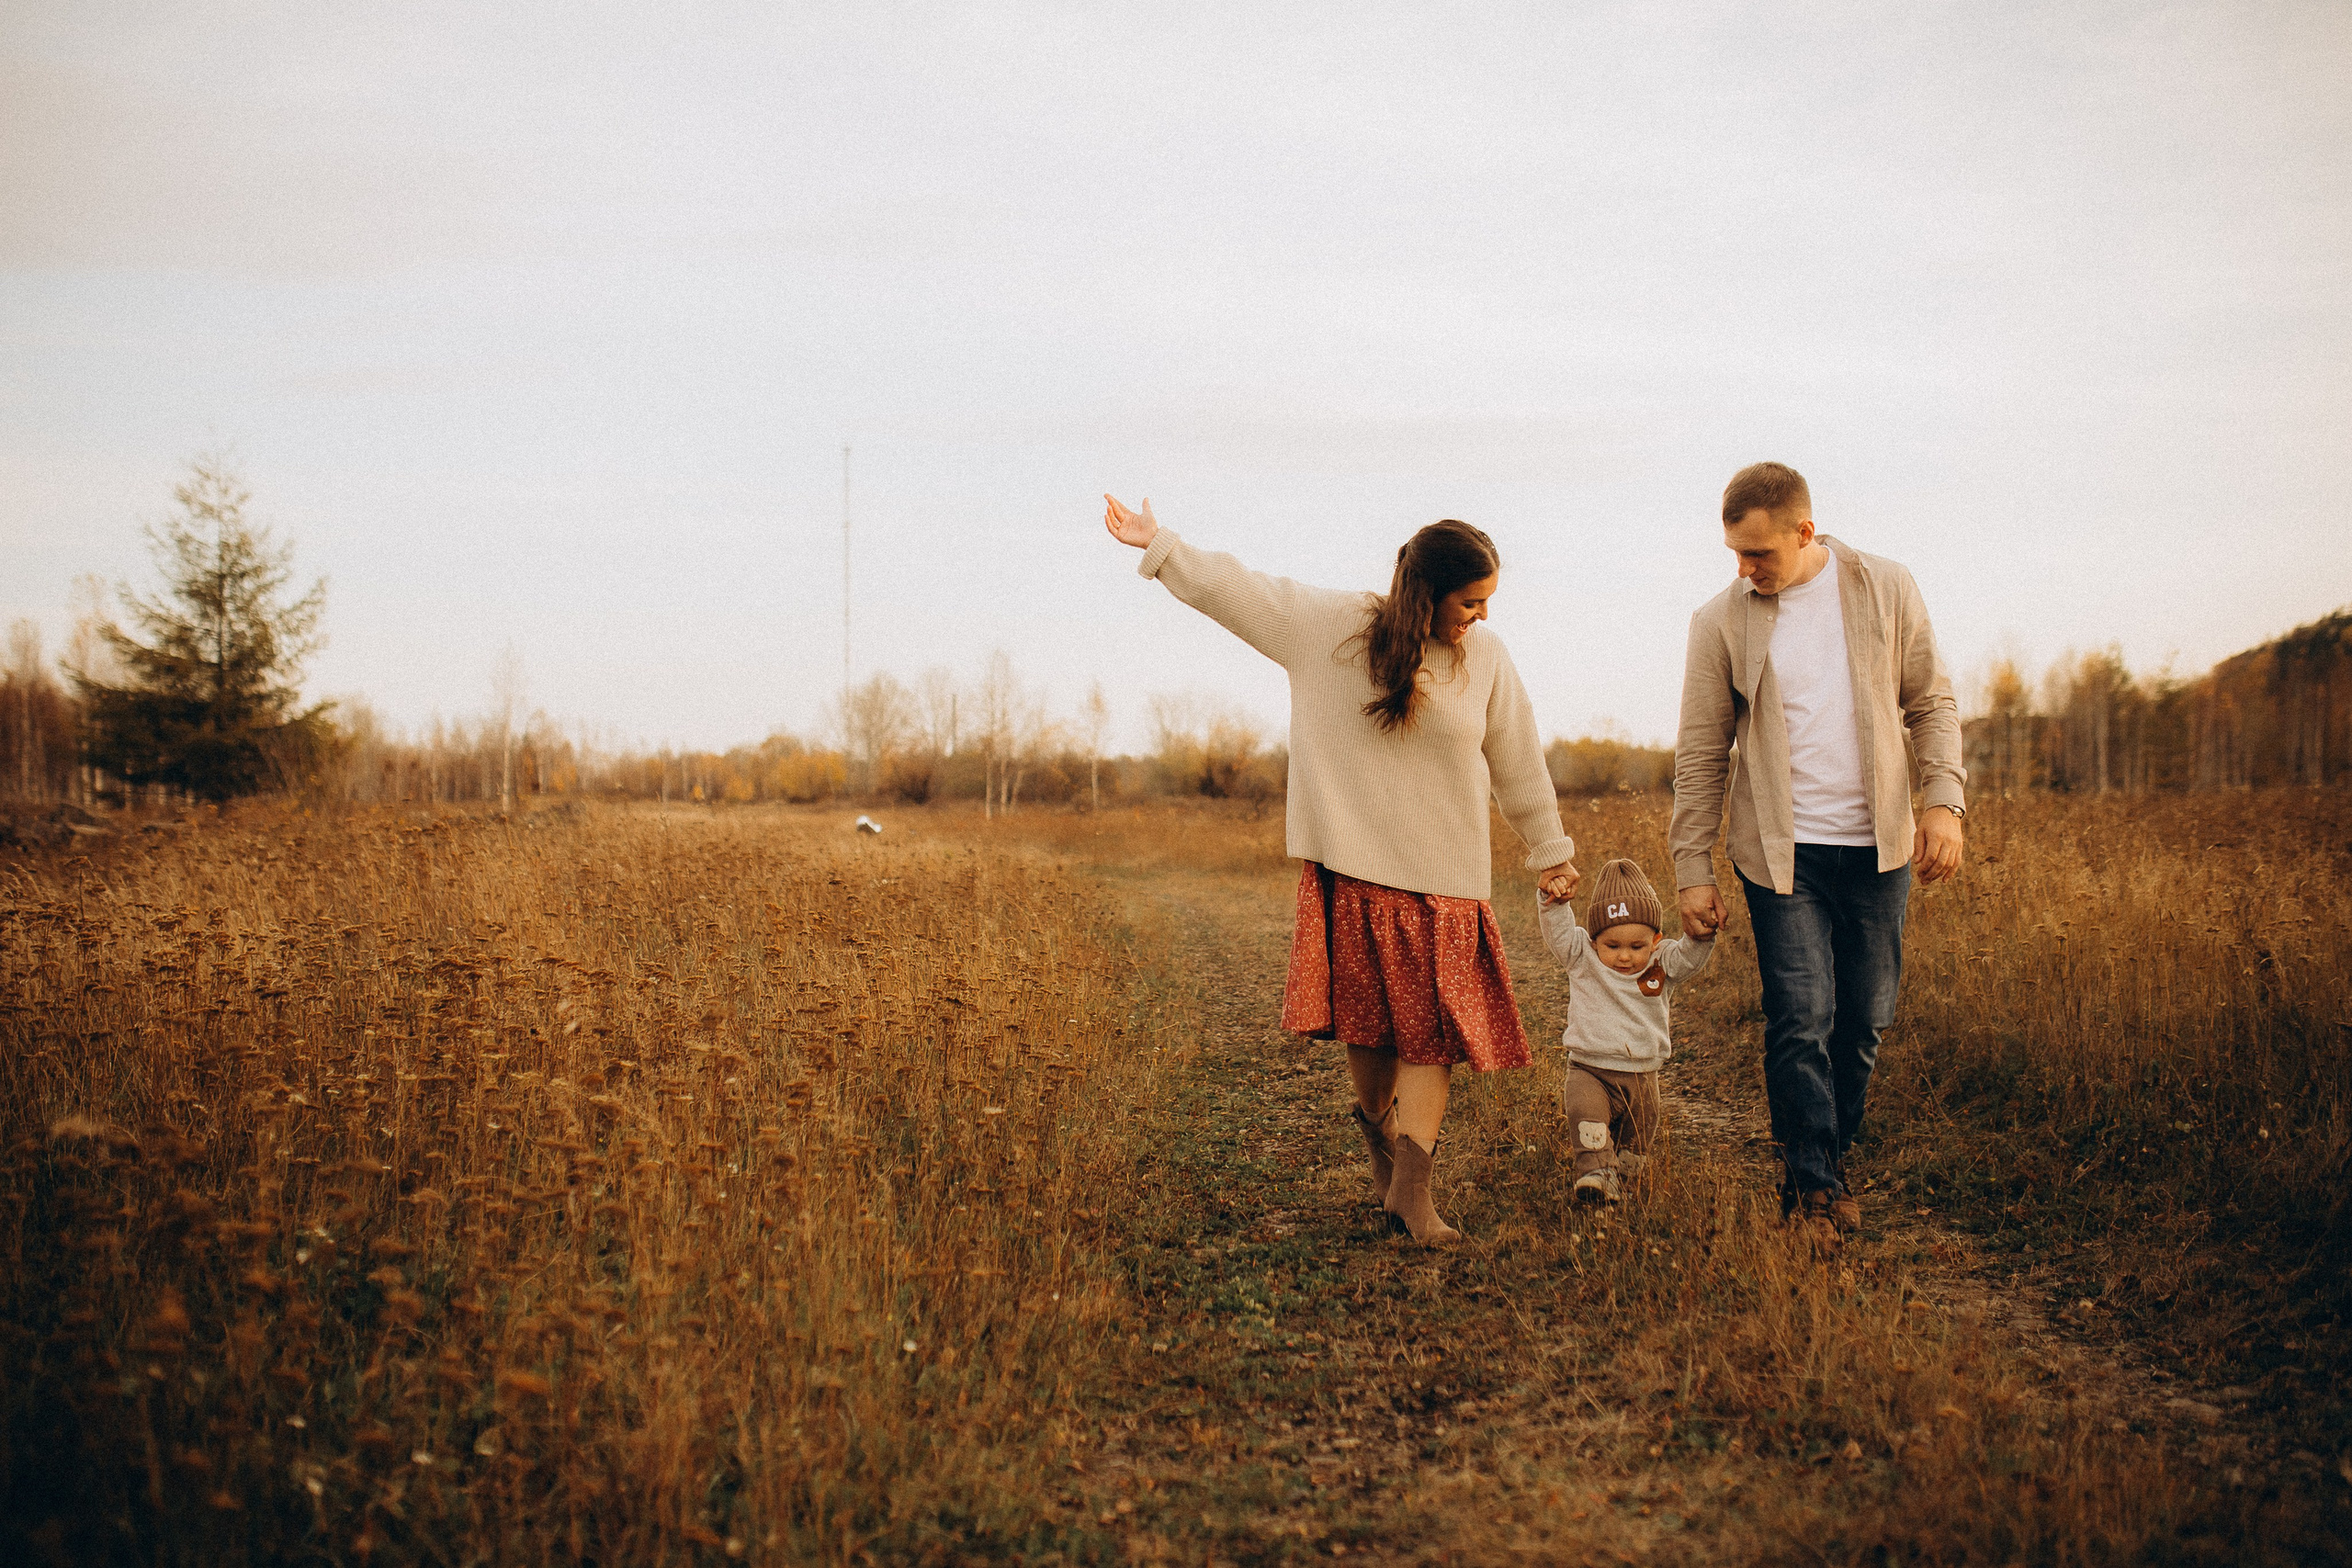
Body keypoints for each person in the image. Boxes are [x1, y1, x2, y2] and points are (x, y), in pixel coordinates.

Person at [1102, 494, 1579, 1244]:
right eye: (1470, 601)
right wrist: (1159, 545)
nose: (1481, 616)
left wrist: (1550, 851)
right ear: (1428, 591)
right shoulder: (1328, 627)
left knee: (1432, 1038)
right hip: (1354, 870)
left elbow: (1516, 757)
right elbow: (1238, 590)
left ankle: (1414, 1195)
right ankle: (1379, 1140)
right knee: (1373, 1037)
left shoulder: (1485, 657)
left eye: (1488, 602)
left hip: (1447, 880)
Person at [1668, 462, 1964, 1248]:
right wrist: (1691, 868)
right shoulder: (1719, 621)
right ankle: (1813, 1186)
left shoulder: (1886, 587)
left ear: (1805, 532)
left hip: (1880, 849)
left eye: (1759, 553)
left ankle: (1825, 1146)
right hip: (1780, 853)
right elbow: (1701, 751)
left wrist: (1944, 801)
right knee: (1801, 1015)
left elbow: (1930, 700)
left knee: (1863, 1022)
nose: (1744, 569)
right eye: (1734, 552)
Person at [1536, 858, 1714, 1205]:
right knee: (1590, 1130)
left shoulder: (1662, 962)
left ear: (1656, 940)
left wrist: (1702, 933)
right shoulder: (1581, 956)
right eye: (1612, 946)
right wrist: (1554, 900)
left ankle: (1622, 1187)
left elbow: (1689, 957)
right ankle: (1595, 1177)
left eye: (1637, 947)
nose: (1625, 957)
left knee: (1634, 1153)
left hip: (1643, 1077)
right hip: (1590, 1071)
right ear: (1594, 940)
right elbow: (1557, 931)